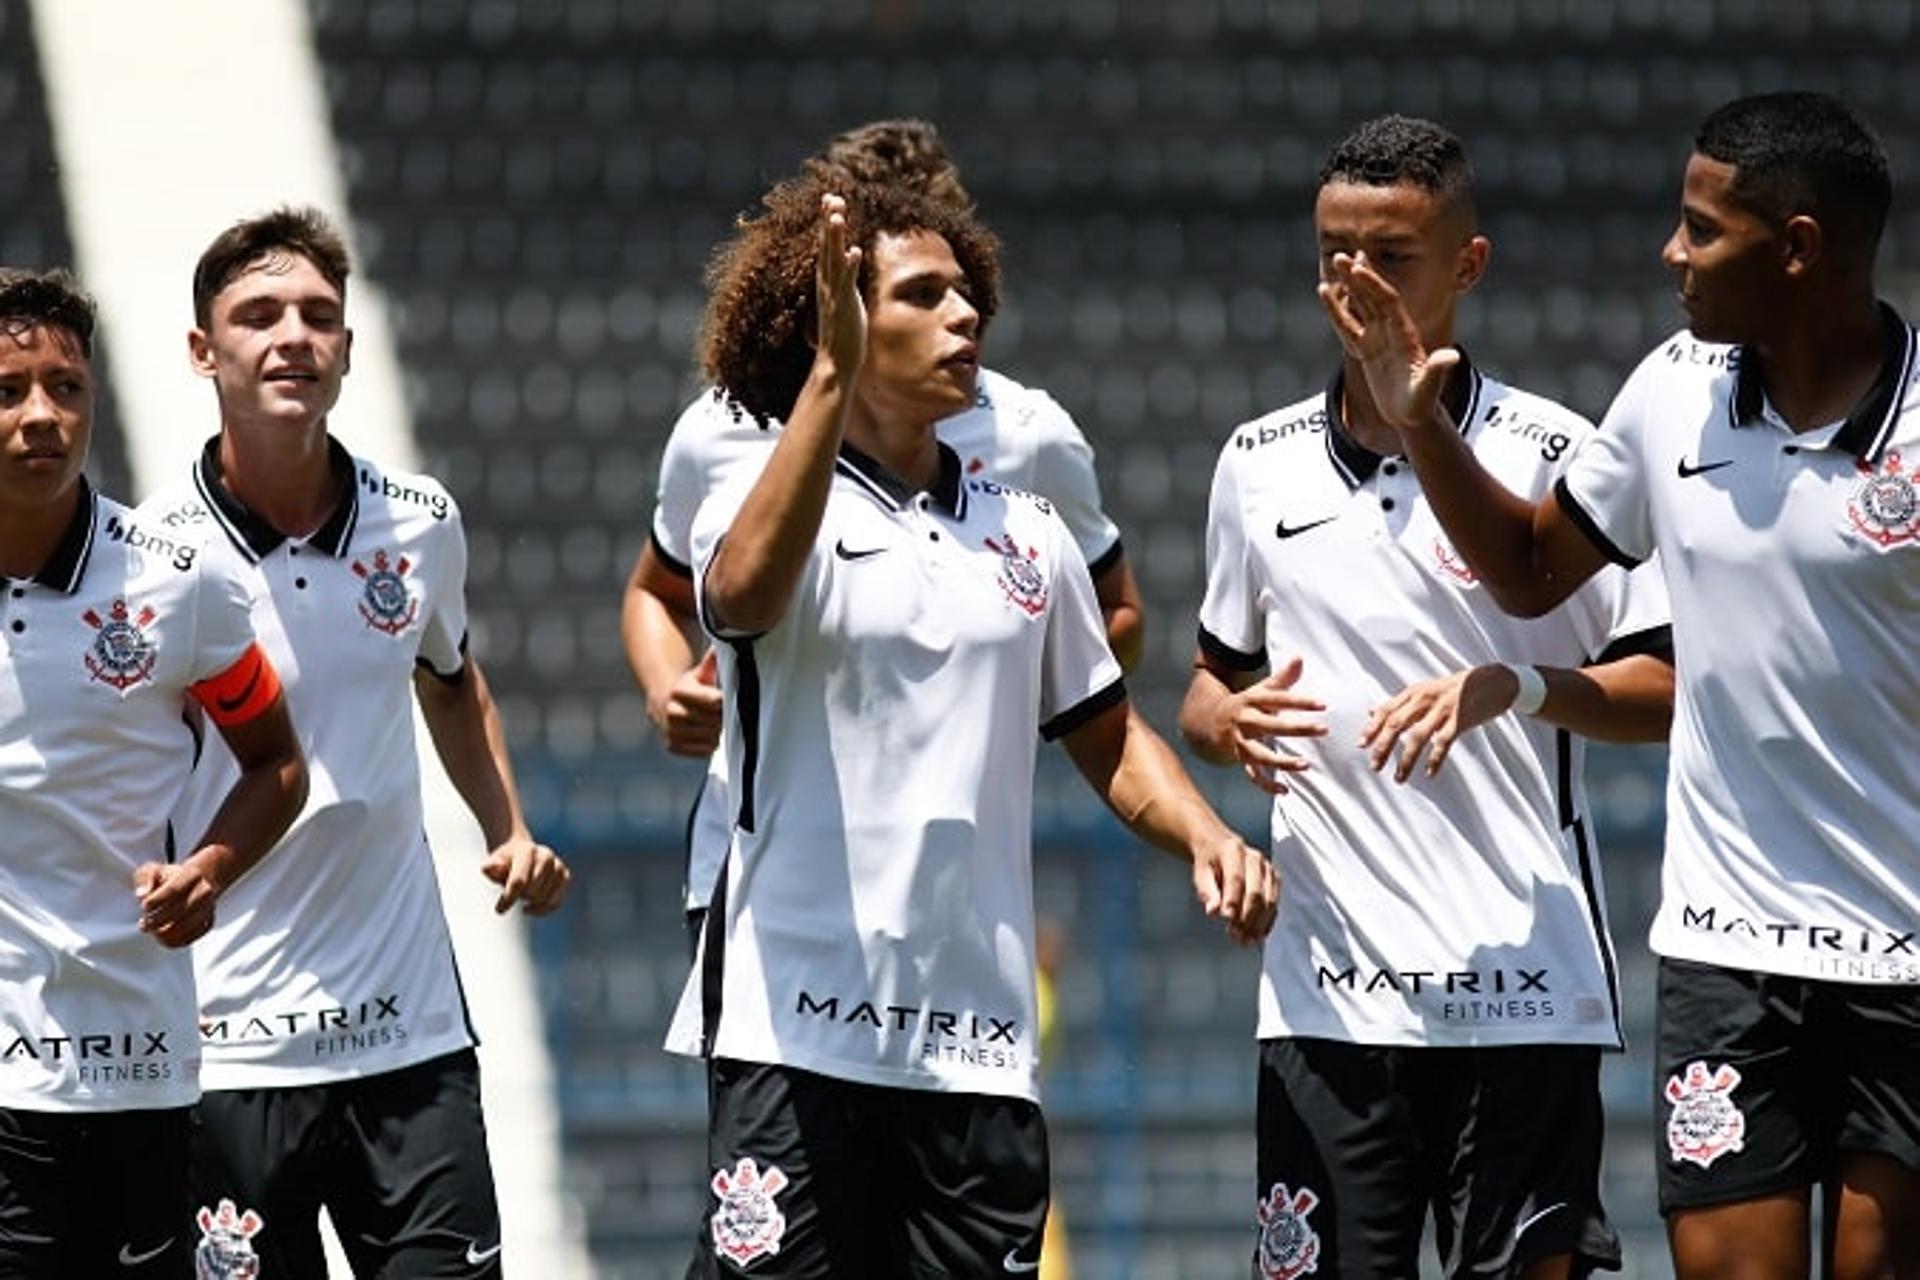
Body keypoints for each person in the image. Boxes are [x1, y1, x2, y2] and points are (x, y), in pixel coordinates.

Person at [1323, 92, 1920, 1279]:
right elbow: (1534, 569)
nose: (1672, 252)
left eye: (1703, 229)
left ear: (1796, 247)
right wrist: (1423, 421)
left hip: (1908, 953)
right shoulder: (1671, 390)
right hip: (1727, 947)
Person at [664, 174, 1275, 1278]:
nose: (966, 315)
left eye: (968, 292)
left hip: (977, 1052)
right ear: (838, 317)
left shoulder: (1029, 533)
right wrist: (830, 372)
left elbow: (1105, 733)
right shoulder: (753, 499)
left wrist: (1211, 835)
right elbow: (743, 595)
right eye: (924, 293)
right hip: (792, 1028)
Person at [1180, 116, 1675, 1279]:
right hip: (1328, 990)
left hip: (1523, 982)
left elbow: (1659, 688)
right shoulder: (1257, 461)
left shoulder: (1562, 453)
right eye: (1334, 252)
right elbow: (1210, 682)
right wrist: (1222, 723)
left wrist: (1520, 686)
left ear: (1469, 264)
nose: (1356, 282)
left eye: (1391, 255)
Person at [139, 208, 571, 1278]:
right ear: (205, 351)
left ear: (346, 346)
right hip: (226, 1043)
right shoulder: (151, 559)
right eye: (257, 315)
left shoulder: (421, 520)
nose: (293, 335)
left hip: (407, 1031)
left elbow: (452, 676)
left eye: (318, 315)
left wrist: (507, 824)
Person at [621, 118, 1144, 949]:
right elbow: (657, 589)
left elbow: (1115, 614)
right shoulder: (724, 425)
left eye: (951, 270)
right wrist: (663, 686)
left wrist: (995, 692)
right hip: (757, 864)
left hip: (939, 875)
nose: (948, 299)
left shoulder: (1027, 433)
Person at [0, 268, 306, 1276]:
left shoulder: (178, 582)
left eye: (67, 387)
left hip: (140, 1059)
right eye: (9, 389)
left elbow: (276, 762)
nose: (43, 414)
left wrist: (210, 868)